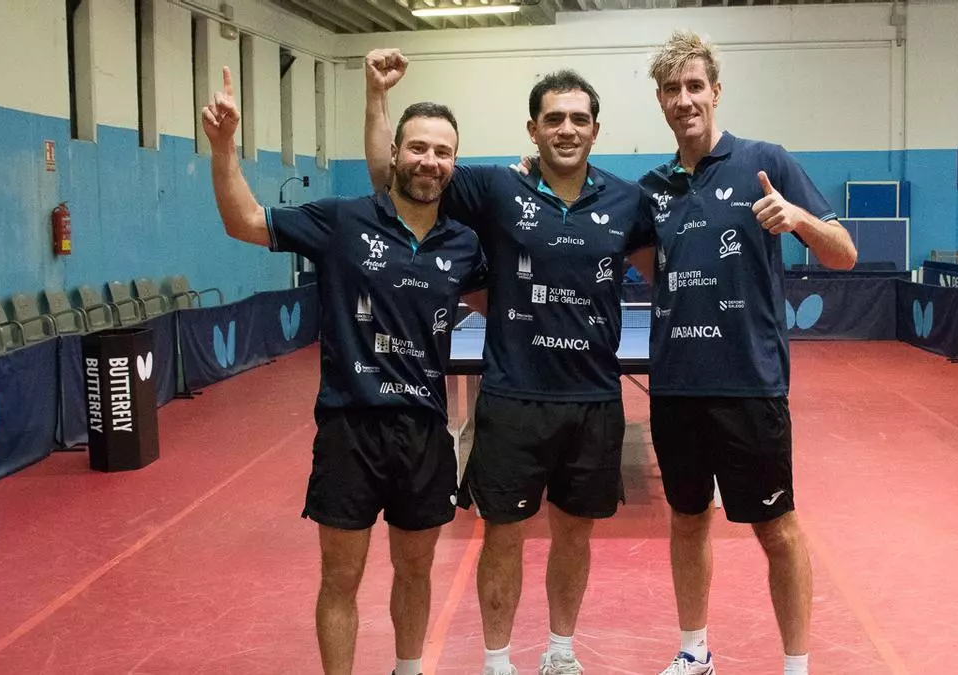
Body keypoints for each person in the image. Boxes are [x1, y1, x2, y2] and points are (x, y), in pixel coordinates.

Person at [365, 50, 654, 675]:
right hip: (513, 397)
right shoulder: (497, 188)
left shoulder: (628, 201)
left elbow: (674, 266)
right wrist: (377, 96)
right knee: (503, 534)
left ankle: (561, 651)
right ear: (533, 129)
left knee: (575, 534)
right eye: (554, 119)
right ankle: (497, 661)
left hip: (594, 401)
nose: (567, 129)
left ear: (596, 130)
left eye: (579, 119)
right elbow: (390, 175)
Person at [201, 65, 487, 675]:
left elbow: (510, 307)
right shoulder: (343, 220)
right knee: (340, 577)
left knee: (415, 570)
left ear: (454, 164)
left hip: (424, 431)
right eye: (418, 147)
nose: (429, 161)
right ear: (394, 154)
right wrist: (223, 149)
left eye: (442, 152)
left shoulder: (465, 245)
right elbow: (242, 220)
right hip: (348, 429)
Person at [637, 31, 858, 675]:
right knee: (686, 520)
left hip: (750, 385)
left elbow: (844, 253)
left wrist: (798, 219)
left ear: (716, 91)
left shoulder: (767, 161)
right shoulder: (650, 189)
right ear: (661, 100)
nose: (685, 100)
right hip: (675, 387)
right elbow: (656, 269)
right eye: (672, 90)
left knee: (777, 527)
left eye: (694, 86)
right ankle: (694, 651)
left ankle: (797, 666)